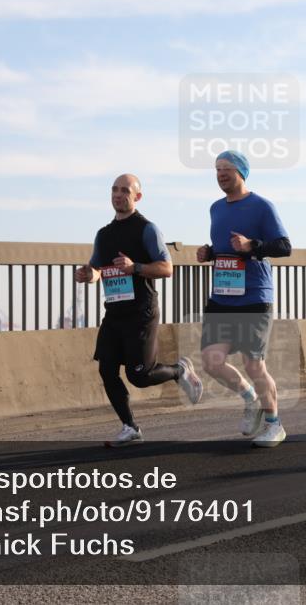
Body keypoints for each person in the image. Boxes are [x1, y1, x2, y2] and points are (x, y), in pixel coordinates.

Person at [76, 174, 202, 447]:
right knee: (107, 370)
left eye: (125, 190)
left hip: (141, 312)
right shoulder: (104, 234)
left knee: (140, 376)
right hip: (114, 312)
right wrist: (88, 275)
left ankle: (179, 370)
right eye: (114, 190)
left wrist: (135, 268)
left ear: (137, 197)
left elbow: (167, 268)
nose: (118, 195)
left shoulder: (147, 229)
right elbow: (98, 270)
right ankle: (130, 427)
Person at [196, 150, 292, 448]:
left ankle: (274, 424)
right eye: (217, 169)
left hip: (254, 295)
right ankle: (251, 399)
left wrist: (253, 245)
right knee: (211, 360)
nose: (221, 174)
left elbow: (284, 246)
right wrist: (209, 253)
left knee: (254, 365)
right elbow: (226, 248)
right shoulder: (215, 208)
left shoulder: (262, 206)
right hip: (223, 295)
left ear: (241, 172)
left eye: (226, 168)